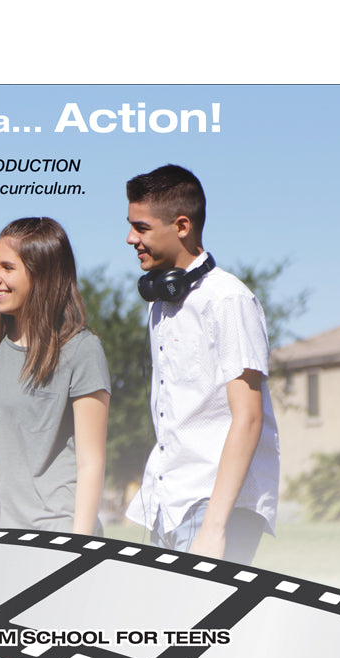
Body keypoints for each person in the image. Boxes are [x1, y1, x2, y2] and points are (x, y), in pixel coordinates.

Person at [124, 164, 279, 563]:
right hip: (169, 501)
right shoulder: (162, 302)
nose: (130, 238)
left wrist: (214, 528)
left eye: (140, 227)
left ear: (181, 225)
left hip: (212, 506)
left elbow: (248, 418)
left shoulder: (228, 300)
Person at [0, 217, 111, 535]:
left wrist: (79, 546)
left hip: (54, 533)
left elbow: (91, 463)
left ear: (42, 274)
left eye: (7, 267)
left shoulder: (82, 350)